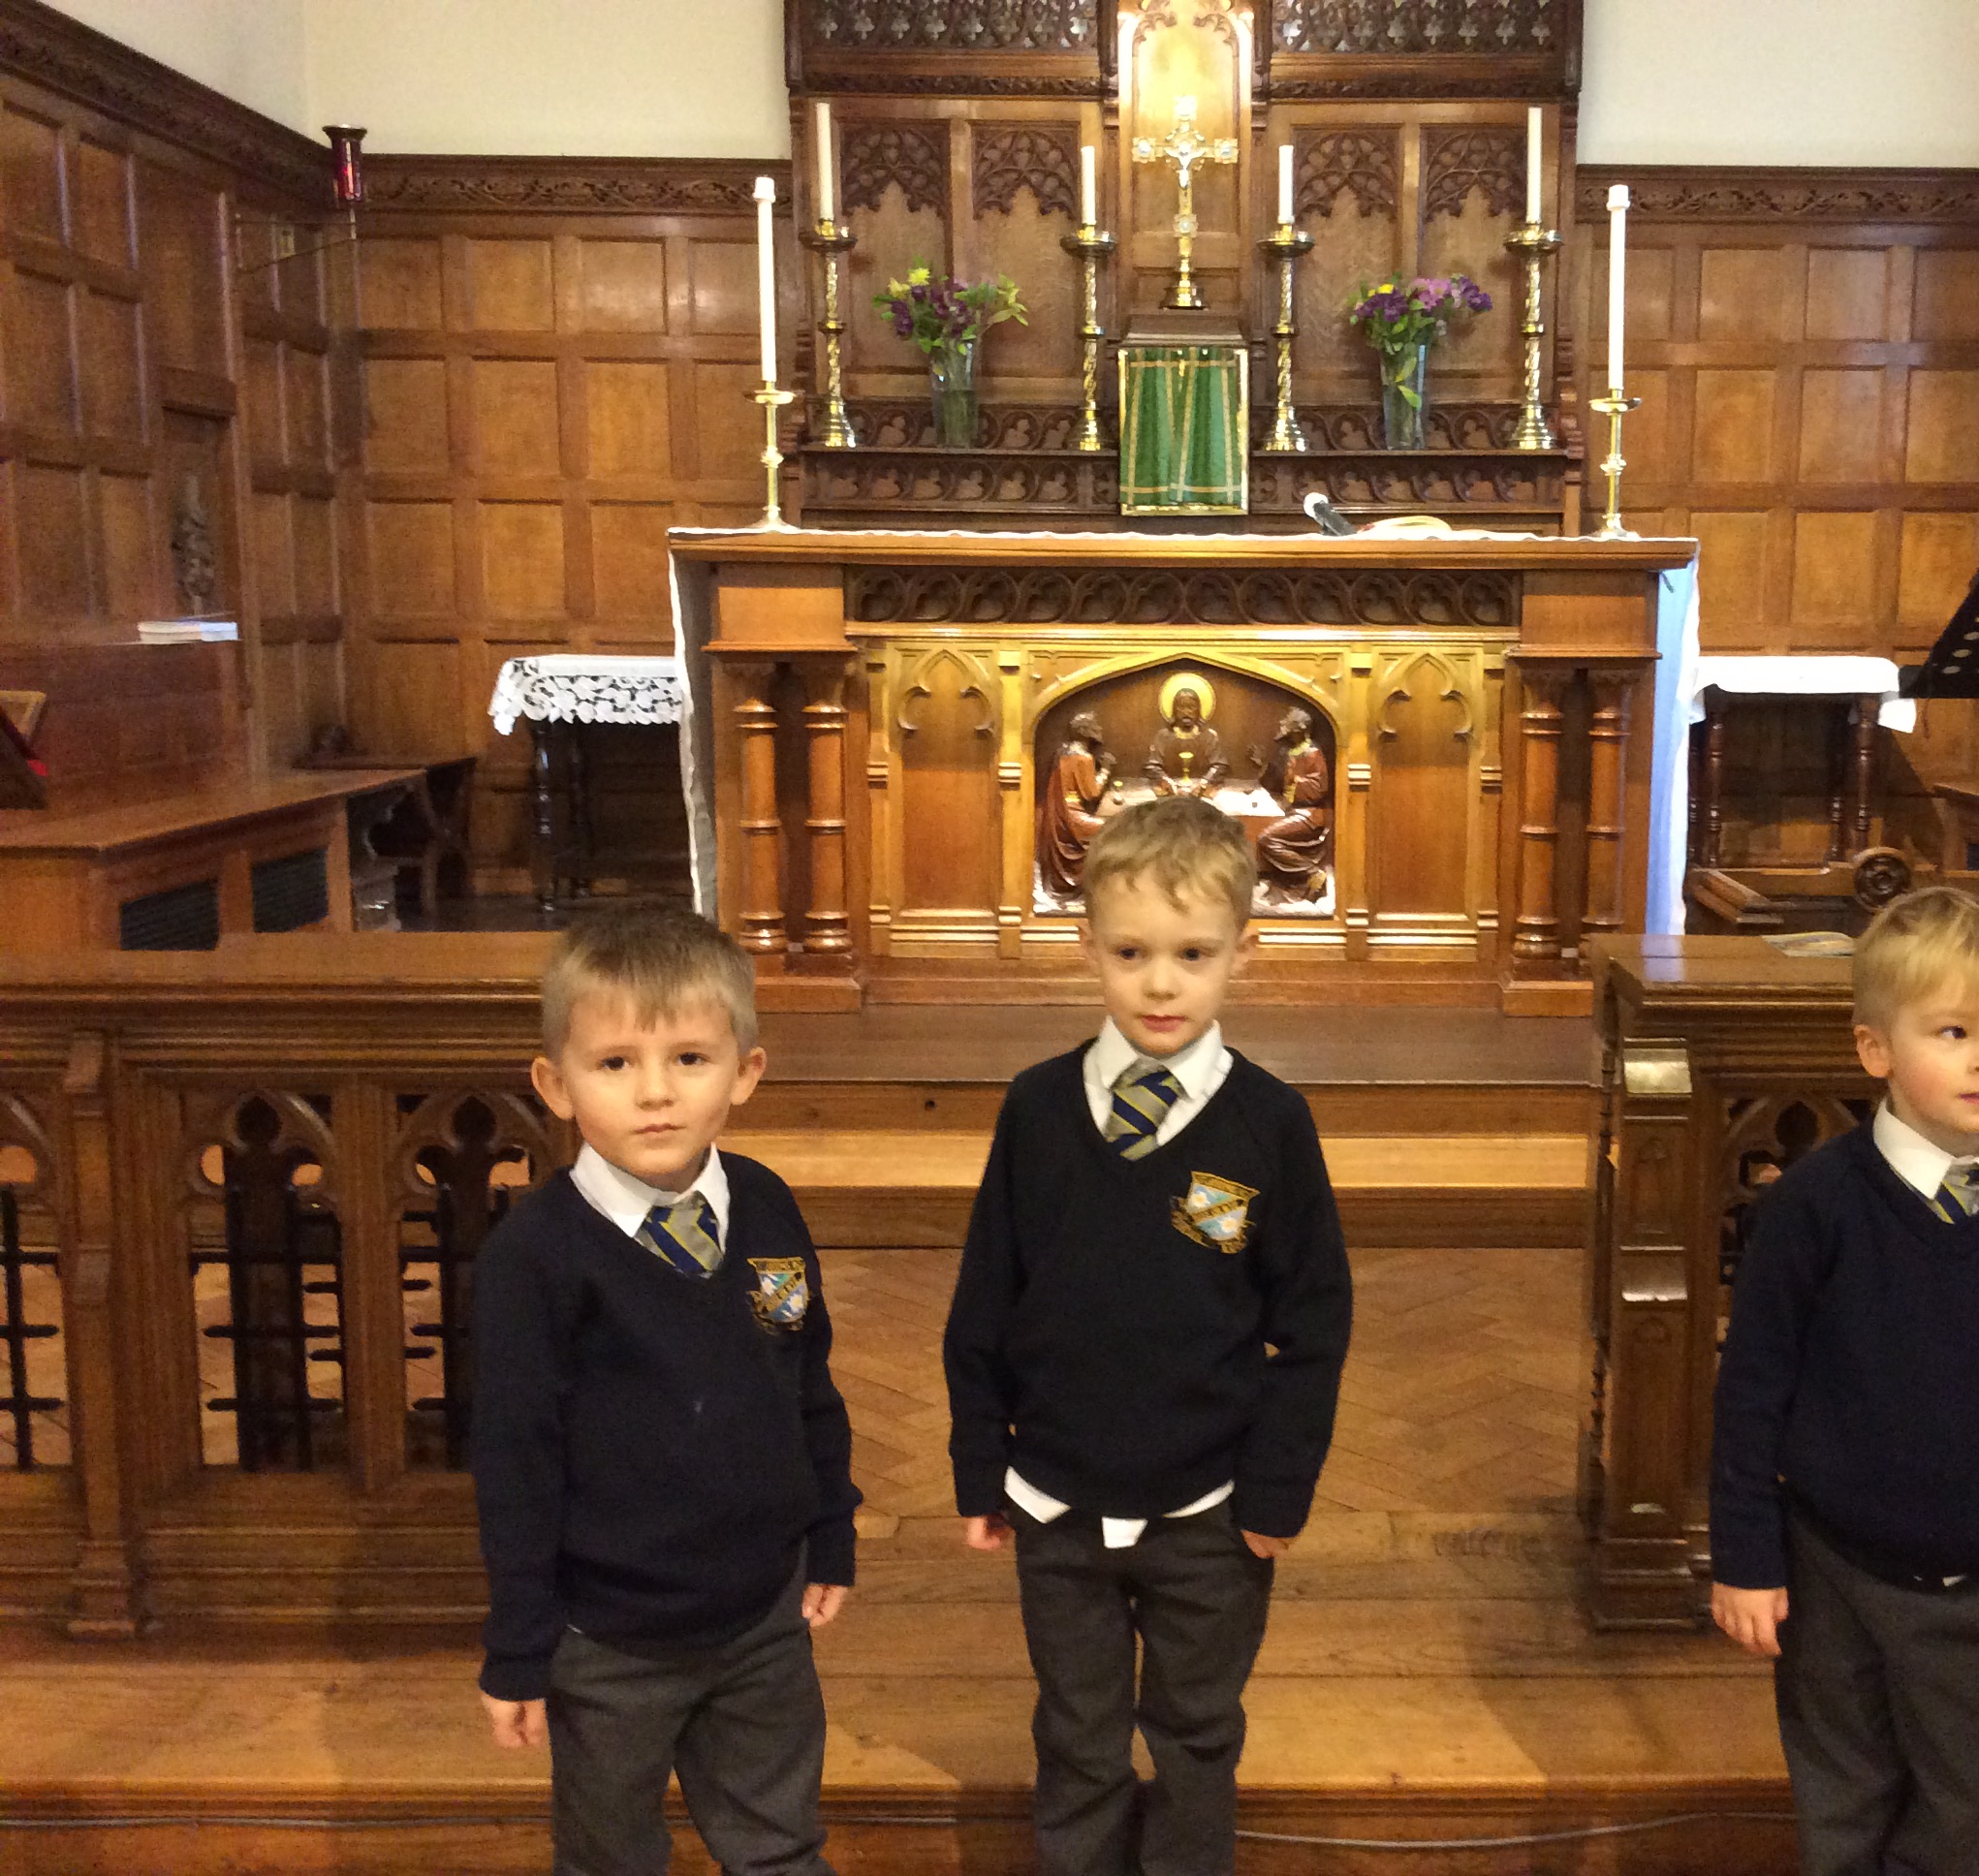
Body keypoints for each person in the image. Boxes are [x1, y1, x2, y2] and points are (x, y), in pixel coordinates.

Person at [944, 795, 1353, 1876]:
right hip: (1058, 1502)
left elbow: (1314, 1321)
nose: (1161, 984)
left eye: (1192, 954)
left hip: (1210, 1510)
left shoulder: (1271, 1123)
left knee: (1196, 1729)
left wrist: (1278, 1488)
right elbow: (984, 1298)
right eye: (1131, 953)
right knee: (1076, 1730)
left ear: (1242, 951)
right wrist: (980, 1460)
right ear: (1087, 946)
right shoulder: (1036, 1109)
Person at [1708, 887, 1979, 1876]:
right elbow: (1752, 1393)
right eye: (1954, 1032)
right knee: (1842, 1807)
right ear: (1876, 1049)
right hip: (1831, 1576)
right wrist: (1746, 1557)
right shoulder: (1815, 1205)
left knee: (1960, 1817)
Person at [469, 904, 860, 1876]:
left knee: (779, 1845)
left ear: (745, 1072)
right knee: (610, 1858)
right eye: (615, 1063)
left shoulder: (765, 1207)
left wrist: (831, 1529)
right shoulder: (535, 1257)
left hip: (762, 1616)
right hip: (608, 1639)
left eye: (689, 1058)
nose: (655, 1092)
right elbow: (516, 1462)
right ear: (556, 1085)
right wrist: (518, 1643)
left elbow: (804, 1378)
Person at [1253, 706, 1332, 905]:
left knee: (1266, 839)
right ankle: (1280, 884)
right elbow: (1277, 783)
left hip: (1310, 813)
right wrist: (1263, 765)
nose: (1282, 724)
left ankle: (1312, 873)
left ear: (1300, 727)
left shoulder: (1312, 753)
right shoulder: (1287, 752)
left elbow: (1319, 788)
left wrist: (1294, 781)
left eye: (1287, 720)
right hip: (1290, 809)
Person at [1039, 709, 1115, 905]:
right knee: (1114, 828)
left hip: (1058, 817)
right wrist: (1106, 769)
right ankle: (1104, 889)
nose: (1099, 729)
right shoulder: (1083, 758)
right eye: (1095, 725)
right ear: (1084, 731)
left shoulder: (1061, 753)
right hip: (1072, 818)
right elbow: (1091, 793)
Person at [1146, 683, 1228, 798]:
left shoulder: (1209, 736)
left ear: (1198, 709)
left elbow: (1220, 765)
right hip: (1171, 790)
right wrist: (1166, 781)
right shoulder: (1163, 736)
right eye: (1181, 707)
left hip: (1201, 789)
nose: (1186, 712)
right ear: (1174, 710)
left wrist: (1204, 783)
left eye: (1191, 707)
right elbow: (1152, 765)